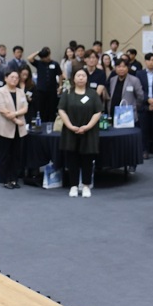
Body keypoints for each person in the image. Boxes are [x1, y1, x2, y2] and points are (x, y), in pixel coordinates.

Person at [57, 68, 104, 198]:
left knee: (87, 159)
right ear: (74, 78)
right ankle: (73, 186)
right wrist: (70, 126)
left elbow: (98, 112)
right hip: (70, 131)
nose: (81, 78)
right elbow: (61, 110)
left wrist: (87, 126)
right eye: (78, 75)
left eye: (83, 75)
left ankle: (86, 186)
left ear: (87, 78)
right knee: (72, 159)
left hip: (88, 132)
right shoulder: (68, 93)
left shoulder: (92, 94)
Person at [0, 70, 29, 189]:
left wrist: (15, 113)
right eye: (12, 77)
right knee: (5, 155)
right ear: (6, 78)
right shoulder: (0, 91)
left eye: (17, 78)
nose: (15, 79)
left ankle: (14, 179)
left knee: (16, 154)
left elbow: (25, 108)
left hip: (19, 128)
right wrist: (16, 120)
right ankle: (5, 179)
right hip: (5, 126)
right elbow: (3, 110)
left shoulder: (20, 92)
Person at [27, 47, 62, 122]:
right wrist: (38, 52)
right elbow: (29, 58)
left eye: (47, 57)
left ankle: (52, 123)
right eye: (44, 58)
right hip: (41, 90)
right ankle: (42, 123)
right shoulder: (39, 63)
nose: (46, 59)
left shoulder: (55, 64)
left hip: (52, 90)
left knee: (52, 108)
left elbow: (60, 74)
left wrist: (60, 85)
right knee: (41, 109)